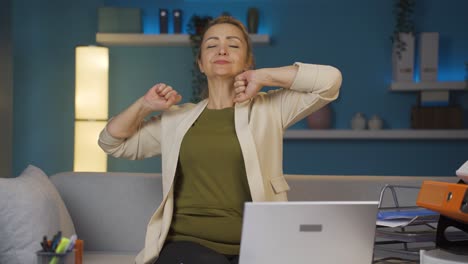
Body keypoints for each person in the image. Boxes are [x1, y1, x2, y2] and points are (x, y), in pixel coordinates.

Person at [98, 16, 342, 264]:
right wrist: (144, 105)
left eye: (233, 45)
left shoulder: (269, 109)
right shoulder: (177, 119)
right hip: (186, 244)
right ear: (201, 64)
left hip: (256, 246)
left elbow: (329, 82)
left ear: (248, 62)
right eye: (212, 45)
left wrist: (263, 77)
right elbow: (112, 142)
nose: (222, 49)